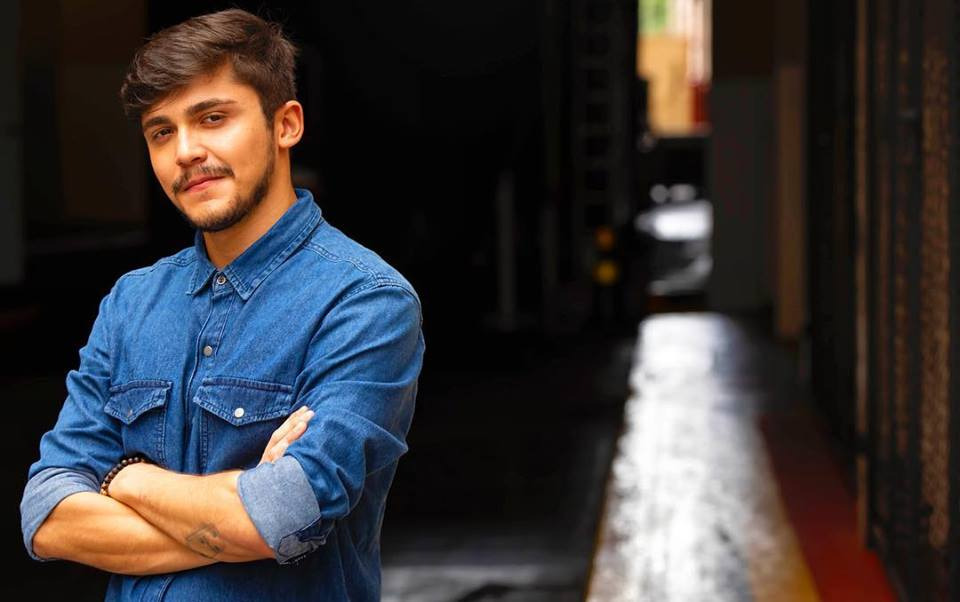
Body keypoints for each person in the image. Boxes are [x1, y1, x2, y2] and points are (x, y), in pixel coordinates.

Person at [19, 9, 424, 601]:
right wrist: (242, 519)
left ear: (286, 124)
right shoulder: (132, 302)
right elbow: (47, 515)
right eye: (162, 132)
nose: (185, 151)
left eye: (212, 118)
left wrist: (122, 477)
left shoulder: (364, 302)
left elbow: (286, 513)